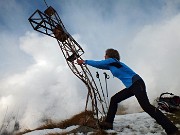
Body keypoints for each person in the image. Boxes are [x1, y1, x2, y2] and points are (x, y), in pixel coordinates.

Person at [77, 48, 179, 135]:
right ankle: (108, 123)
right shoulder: (111, 65)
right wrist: (86, 63)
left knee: (147, 107)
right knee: (114, 99)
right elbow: (99, 65)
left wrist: (84, 61)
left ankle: (172, 130)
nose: (104, 56)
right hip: (132, 86)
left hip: (137, 83)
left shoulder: (113, 60)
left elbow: (100, 63)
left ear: (109, 55)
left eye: (105, 55)